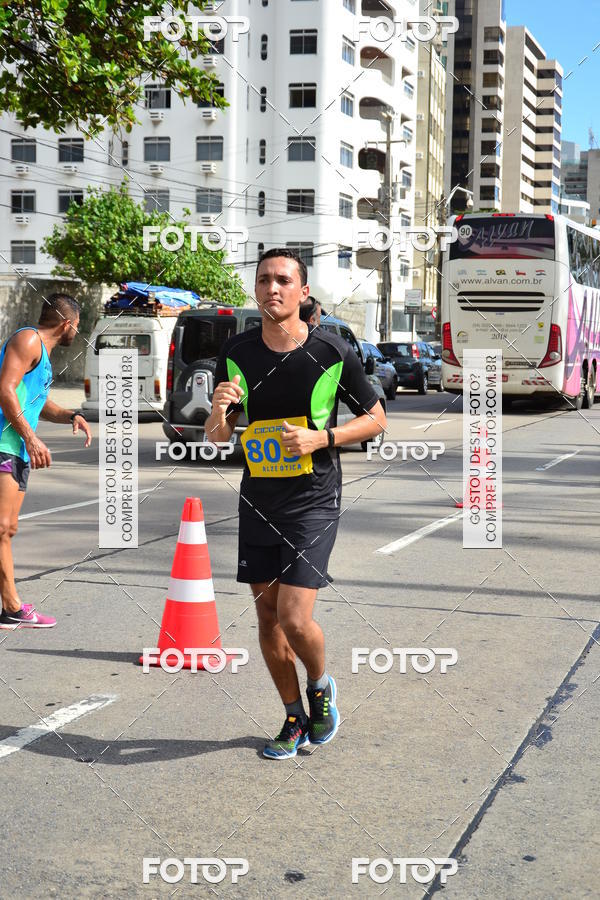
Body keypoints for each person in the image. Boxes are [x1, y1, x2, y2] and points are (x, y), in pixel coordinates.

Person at [206, 249, 387, 759]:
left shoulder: (331, 351)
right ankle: (292, 717)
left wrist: (321, 439)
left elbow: (376, 419)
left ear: (302, 292)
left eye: (283, 280)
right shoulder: (237, 351)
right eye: (264, 280)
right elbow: (219, 437)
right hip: (259, 497)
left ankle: (321, 684)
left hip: (313, 498)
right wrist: (219, 414)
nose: (272, 288)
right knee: (266, 619)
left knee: (293, 616)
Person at [0, 293, 92, 630]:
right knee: (1, 529)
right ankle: (11, 607)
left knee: (7, 528)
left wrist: (71, 415)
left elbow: (39, 401)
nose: (75, 334)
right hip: (5, 444)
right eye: (77, 328)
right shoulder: (28, 339)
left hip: (17, 449)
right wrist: (30, 436)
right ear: (67, 324)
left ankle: (10, 607)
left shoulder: (43, 355)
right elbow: (5, 389)